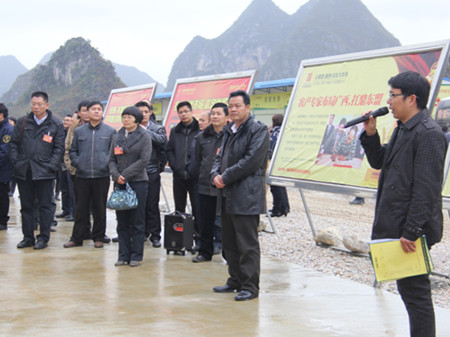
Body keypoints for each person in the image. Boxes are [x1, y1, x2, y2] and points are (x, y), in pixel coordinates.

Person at [360, 71, 447, 337]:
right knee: (410, 291)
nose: (389, 101)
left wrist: (411, 231)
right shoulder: (404, 129)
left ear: (412, 99)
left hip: (411, 231)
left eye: (393, 95)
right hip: (399, 226)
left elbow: (427, 189)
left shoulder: (429, 133)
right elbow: (380, 162)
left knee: (416, 294)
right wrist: (371, 135)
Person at [211, 90, 269, 301]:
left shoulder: (258, 130)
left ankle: (250, 287)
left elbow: (251, 161)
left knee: (247, 244)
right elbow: (219, 157)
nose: (233, 109)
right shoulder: (228, 130)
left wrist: (224, 177)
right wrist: (215, 175)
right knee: (229, 242)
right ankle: (234, 280)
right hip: (226, 195)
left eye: (237, 105)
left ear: (247, 108)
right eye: (231, 106)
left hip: (247, 195)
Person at [9, 91, 65, 249]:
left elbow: (59, 148)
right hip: (24, 170)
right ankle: (27, 237)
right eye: (33, 104)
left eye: (39, 104)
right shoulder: (23, 121)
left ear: (47, 105)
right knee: (26, 206)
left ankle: (43, 238)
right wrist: (16, 161)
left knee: (45, 206)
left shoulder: (55, 124)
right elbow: (13, 144)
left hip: (45, 172)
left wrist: (51, 166)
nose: (36, 107)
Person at [63, 101, 116, 248]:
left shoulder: (110, 131)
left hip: (101, 176)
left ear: (102, 112)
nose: (96, 112)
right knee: (80, 208)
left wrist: (106, 164)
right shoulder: (79, 131)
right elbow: (72, 151)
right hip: (82, 176)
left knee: (99, 208)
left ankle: (98, 237)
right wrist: (78, 162)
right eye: (93, 109)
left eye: (99, 109)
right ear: (87, 112)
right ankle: (77, 238)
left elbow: (114, 152)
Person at [109, 106, 152, 267]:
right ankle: (123, 255)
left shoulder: (144, 136)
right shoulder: (117, 135)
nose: (126, 119)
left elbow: (144, 160)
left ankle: (136, 255)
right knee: (122, 220)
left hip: (137, 182)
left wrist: (125, 175)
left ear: (137, 119)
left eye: (129, 117)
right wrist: (116, 175)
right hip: (119, 182)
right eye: (124, 116)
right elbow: (111, 158)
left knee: (137, 220)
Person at [192, 103, 228, 263]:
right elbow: (199, 159)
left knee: (225, 221)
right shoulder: (201, 137)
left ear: (227, 117)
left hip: (225, 185)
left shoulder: (231, 136)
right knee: (205, 220)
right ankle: (204, 252)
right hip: (206, 184)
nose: (214, 116)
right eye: (213, 113)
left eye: (218, 114)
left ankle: (226, 251)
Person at [135, 100, 167, 248]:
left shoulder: (158, 128)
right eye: (140, 112)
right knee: (138, 205)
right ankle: (141, 233)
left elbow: (161, 142)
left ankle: (155, 235)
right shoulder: (131, 128)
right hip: (136, 173)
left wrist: (143, 130)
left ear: (150, 112)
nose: (143, 114)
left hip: (152, 171)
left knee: (152, 205)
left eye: (145, 112)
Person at [167, 101, 200, 216]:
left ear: (191, 112)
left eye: (186, 111)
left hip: (195, 176)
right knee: (179, 207)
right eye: (180, 112)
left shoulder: (200, 130)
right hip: (179, 174)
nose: (183, 114)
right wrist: (174, 165)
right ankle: (180, 232)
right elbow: (170, 149)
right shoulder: (174, 131)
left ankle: (197, 232)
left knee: (197, 206)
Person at [268, 114, 290, 217]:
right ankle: (285, 208)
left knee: (275, 187)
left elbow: (270, 150)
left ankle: (276, 209)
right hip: (283, 163)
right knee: (281, 186)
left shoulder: (274, 133)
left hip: (274, 163)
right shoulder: (286, 132)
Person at [57, 114, 75, 221]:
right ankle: (66, 210)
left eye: (68, 120)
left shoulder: (73, 132)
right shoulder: (60, 132)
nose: (65, 122)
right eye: (64, 120)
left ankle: (72, 211)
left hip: (70, 165)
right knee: (64, 188)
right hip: (61, 164)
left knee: (71, 190)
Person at [0, 103, 13, 230]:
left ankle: (3, 221)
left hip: (3, 170)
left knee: (2, 196)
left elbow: (5, 152)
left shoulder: (7, 130)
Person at [7, 117, 17, 197]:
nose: (9, 122)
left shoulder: (15, 132)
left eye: (11, 121)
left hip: (12, 158)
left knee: (13, 176)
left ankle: (11, 190)